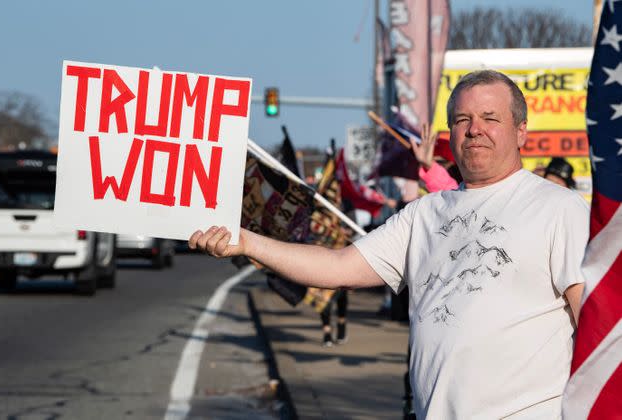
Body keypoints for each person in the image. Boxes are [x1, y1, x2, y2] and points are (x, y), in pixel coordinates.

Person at [189, 70, 589, 419]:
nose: (474, 129)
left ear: (521, 131)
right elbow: (337, 266)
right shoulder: (424, 214)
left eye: (490, 118)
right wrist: (247, 242)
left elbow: (595, 325)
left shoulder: (560, 208)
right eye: (462, 119)